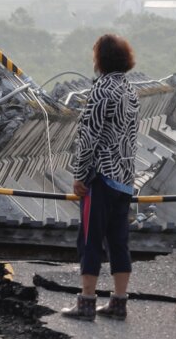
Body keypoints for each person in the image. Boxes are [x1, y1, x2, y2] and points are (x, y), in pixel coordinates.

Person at [60, 34, 140, 321]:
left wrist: (80, 176)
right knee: (119, 241)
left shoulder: (102, 90)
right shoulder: (130, 90)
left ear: (100, 59)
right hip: (125, 179)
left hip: (102, 177)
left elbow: (89, 137)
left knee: (90, 239)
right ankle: (119, 302)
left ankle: (86, 302)